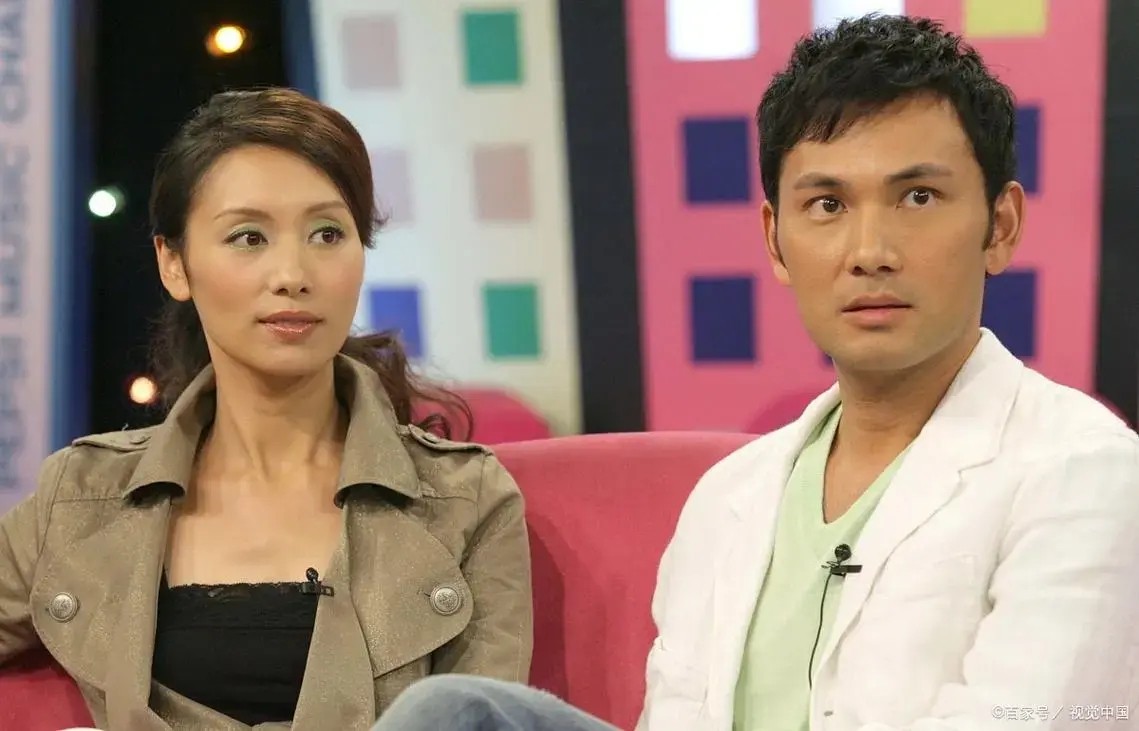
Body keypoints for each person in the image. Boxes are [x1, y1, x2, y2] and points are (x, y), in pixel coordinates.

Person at [367, 13, 1139, 731]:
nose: (868, 251)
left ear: (999, 226)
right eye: (827, 204)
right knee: (453, 712)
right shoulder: (729, 494)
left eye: (916, 196)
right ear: (774, 239)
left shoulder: (1083, 468)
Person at [0, 88, 534, 730]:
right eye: (249, 237)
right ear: (174, 264)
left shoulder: (465, 500)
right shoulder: (82, 498)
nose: (292, 274)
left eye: (327, 234)